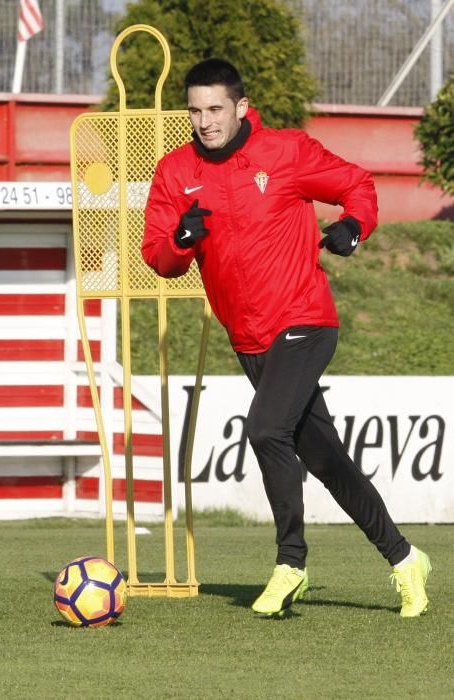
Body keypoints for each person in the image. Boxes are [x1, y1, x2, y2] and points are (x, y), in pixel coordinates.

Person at [142, 58, 432, 619]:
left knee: (265, 428)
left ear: (241, 108)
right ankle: (405, 559)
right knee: (325, 458)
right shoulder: (175, 172)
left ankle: (291, 562)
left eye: (215, 109)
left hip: (305, 319)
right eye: (196, 111)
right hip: (249, 340)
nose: (205, 122)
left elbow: (357, 185)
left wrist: (353, 226)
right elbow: (157, 254)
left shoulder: (286, 152)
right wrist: (180, 239)